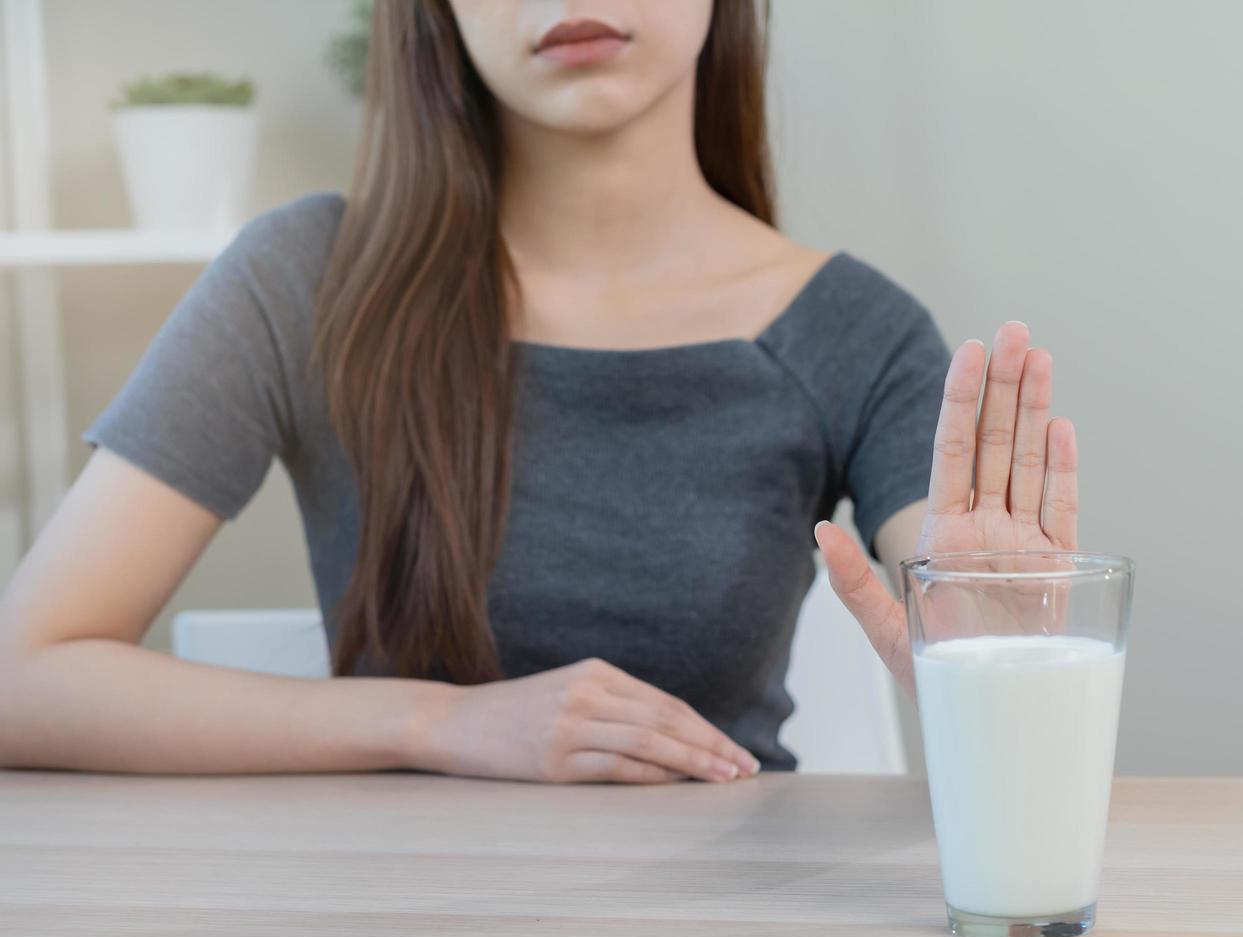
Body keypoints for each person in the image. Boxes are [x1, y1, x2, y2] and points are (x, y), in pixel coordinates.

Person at [0, 0, 1078, 783]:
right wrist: (439, 725)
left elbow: (1015, 764)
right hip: (394, 925)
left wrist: (997, 653)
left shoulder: (859, 333)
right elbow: (24, 677)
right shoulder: (305, 280)